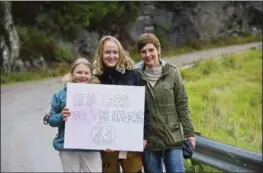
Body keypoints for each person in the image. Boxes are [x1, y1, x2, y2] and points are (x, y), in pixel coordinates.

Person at [134, 33, 196, 173]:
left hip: (172, 138)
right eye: (143, 51)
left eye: (151, 50)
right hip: (149, 141)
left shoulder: (173, 72)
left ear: (158, 50)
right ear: (140, 54)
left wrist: (189, 133)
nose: (148, 54)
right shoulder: (136, 75)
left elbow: (182, 105)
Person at [93, 35, 147, 173]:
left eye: (115, 52)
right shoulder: (94, 79)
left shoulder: (133, 76)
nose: (111, 56)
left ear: (120, 53)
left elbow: (145, 109)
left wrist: (144, 136)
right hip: (105, 144)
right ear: (100, 54)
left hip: (130, 142)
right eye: (107, 52)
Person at [46, 58, 102, 172]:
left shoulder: (99, 94)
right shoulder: (60, 95)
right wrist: (61, 116)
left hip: (91, 146)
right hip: (68, 147)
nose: (82, 75)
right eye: (79, 72)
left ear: (91, 75)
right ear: (72, 74)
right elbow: (51, 119)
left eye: (86, 73)